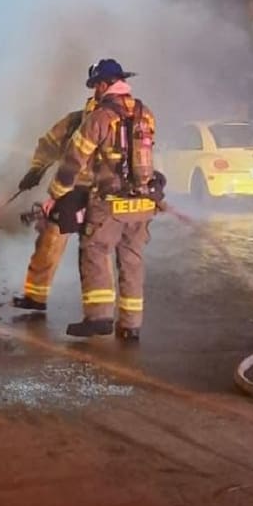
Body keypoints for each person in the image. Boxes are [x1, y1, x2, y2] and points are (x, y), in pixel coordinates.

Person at [44, 58, 162, 342]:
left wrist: (55, 196)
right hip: (143, 202)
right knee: (132, 261)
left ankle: (98, 318)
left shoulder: (99, 117)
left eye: (95, 85)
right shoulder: (146, 113)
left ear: (103, 84)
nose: (94, 91)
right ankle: (131, 324)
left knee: (94, 251)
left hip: (109, 203)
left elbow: (74, 161)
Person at [11, 97, 97, 312]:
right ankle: (36, 297)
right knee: (50, 241)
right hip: (74, 189)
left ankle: (97, 314)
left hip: (99, 193)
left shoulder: (113, 122)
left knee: (95, 252)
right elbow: (49, 144)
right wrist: (37, 169)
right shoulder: (74, 121)